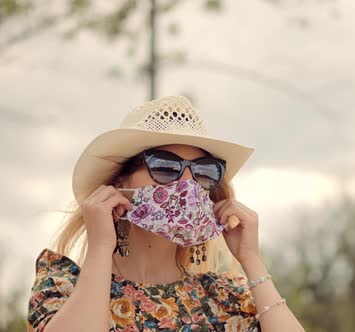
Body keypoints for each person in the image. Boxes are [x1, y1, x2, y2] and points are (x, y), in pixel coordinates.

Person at [26, 96, 305, 331]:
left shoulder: (224, 297)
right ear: (120, 184)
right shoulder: (62, 285)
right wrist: (100, 247)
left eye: (204, 172)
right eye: (165, 167)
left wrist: (252, 259)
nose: (187, 184)